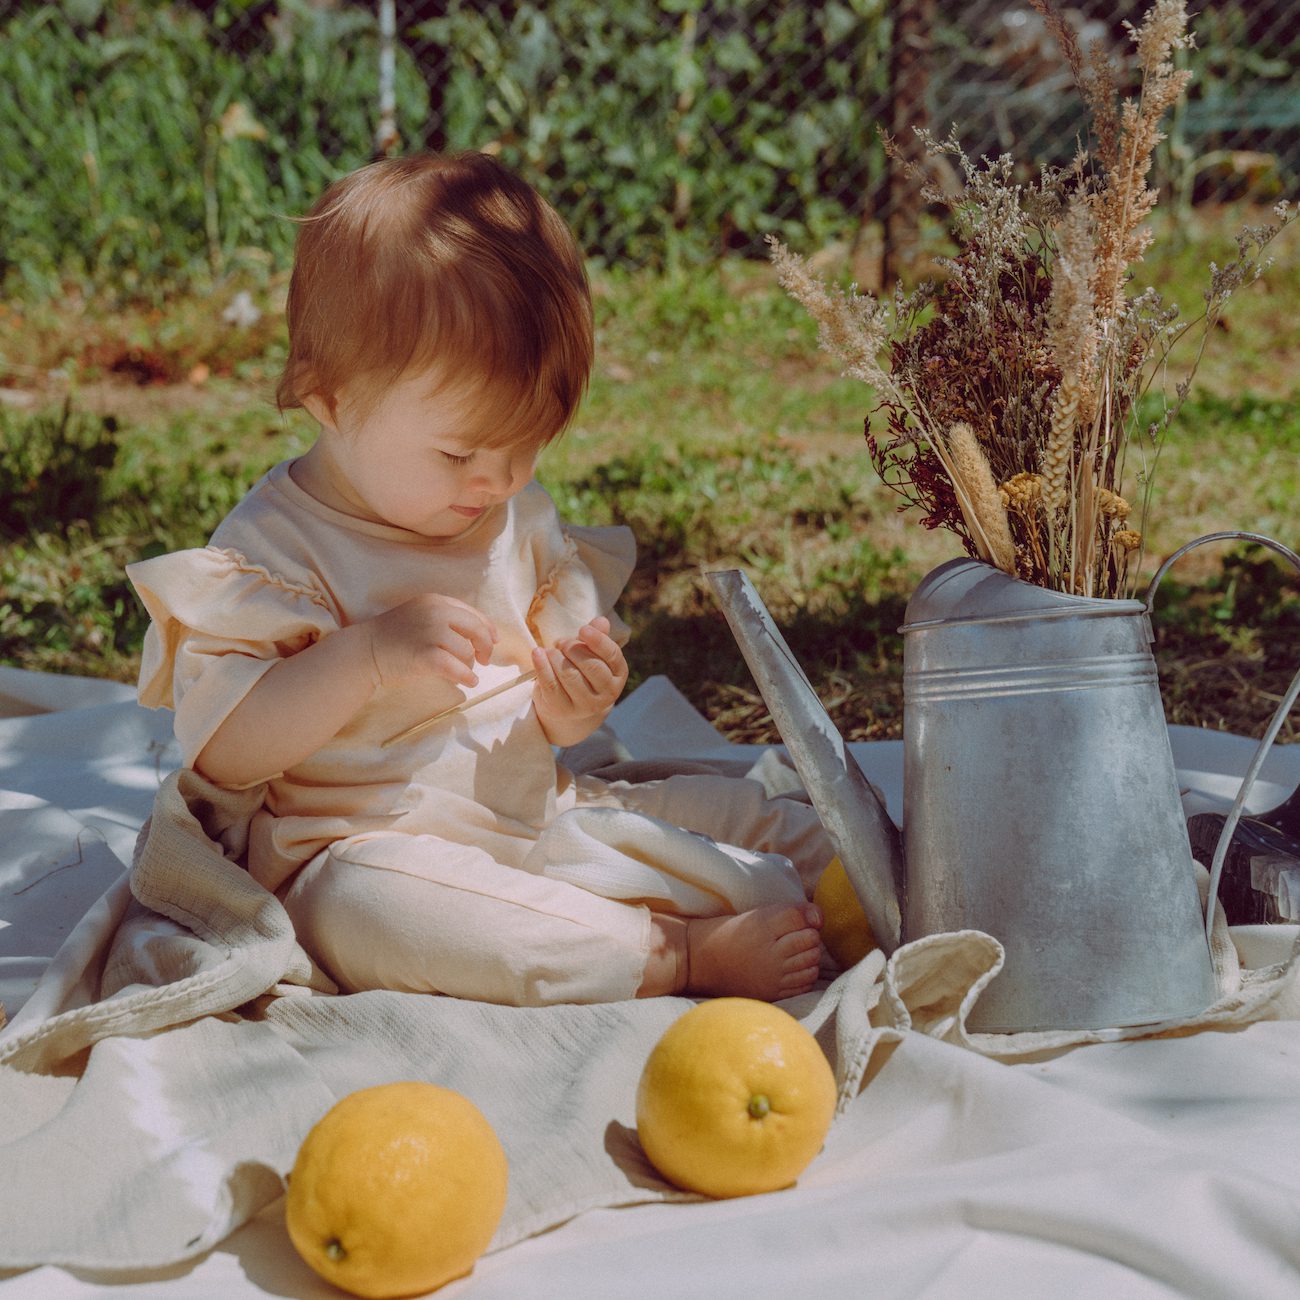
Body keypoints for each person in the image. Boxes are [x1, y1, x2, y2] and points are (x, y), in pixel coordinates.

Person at [128, 151, 831, 1008]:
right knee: (396, 916)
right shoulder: (275, 549)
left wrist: (569, 705)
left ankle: (890, 887)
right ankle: (669, 951)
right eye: (461, 452)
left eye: (527, 444)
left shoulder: (510, 516)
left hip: (539, 815)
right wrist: (367, 657)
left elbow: (536, 707)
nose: (497, 480)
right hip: (358, 849)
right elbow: (225, 747)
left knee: (780, 831)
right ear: (328, 399)